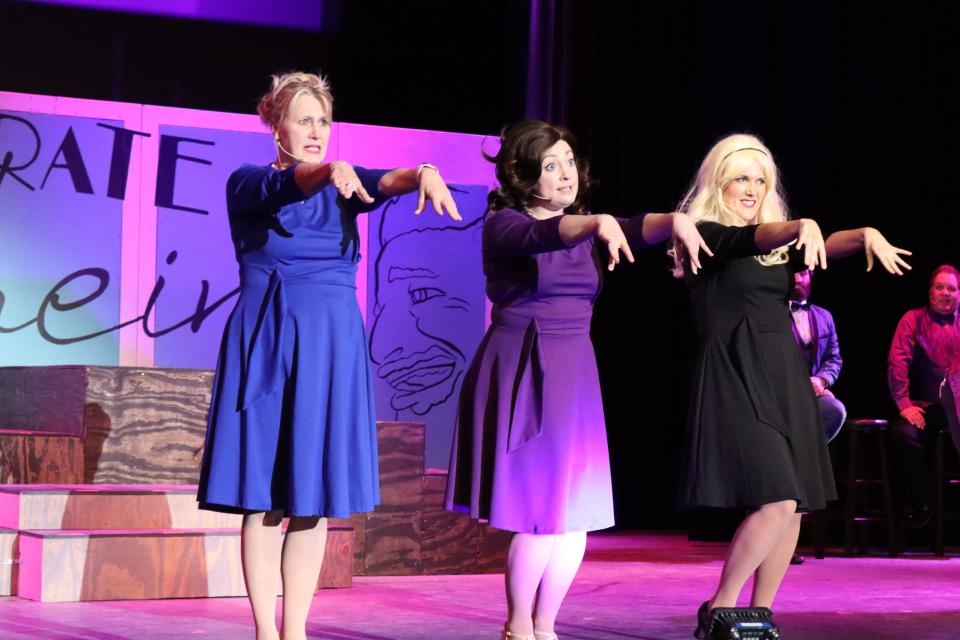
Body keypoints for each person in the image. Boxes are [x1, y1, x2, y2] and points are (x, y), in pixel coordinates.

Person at [196, 71, 460, 640]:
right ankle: (266, 630)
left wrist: (425, 172)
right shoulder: (246, 182)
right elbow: (290, 186)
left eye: (323, 121)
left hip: (331, 341)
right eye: (303, 119)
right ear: (275, 124)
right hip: (268, 337)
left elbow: (388, 180)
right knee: (263, 496)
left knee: (311, 496)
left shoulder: (346, 181)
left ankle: (297, 631)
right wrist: (326, 171)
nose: (316, 131)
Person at [444, 120, 711, 640]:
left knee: (574, 518)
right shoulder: (504, 223)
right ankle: (519, 626)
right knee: (538, 514)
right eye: (550, 166)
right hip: (522, 363)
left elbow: (637, 225)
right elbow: (545, 233)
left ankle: (546, 626)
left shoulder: (590, 223)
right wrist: (596, 225)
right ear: (524, 176)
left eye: (568, 161)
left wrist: (675, 222)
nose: (565, 174)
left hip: (574, 370)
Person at [672, 134, 910, 638]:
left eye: (761, 180)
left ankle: (757, 613)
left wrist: (864, 234)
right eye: (741, 178)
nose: (752, 188)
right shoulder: (703, 232)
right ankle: (719, 606)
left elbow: (820, 248)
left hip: (782, 369)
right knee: (777, 497)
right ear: (719, 181)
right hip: (735, 368)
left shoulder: (776, 247)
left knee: (796, 502)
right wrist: (800, 226)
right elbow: (752, 240)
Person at [887, 264, 960, 525]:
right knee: (904, 436)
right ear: (931, 293)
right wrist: (904, 403)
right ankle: (926, 501)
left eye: (952, 288)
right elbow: (898, 362)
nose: (946, 293)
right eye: (940, 287)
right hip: (925, 407)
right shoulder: (913, 319)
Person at [789, 269, 847, 443]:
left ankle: (807, 461)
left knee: (835, 410)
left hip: (813, 395)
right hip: (782, 394)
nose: (798, 278)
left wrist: (820, 381)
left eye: (803, 273)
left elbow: (833, 359)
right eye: (793, 273)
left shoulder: (824, 316)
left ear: (811, 276)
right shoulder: (773, 315)